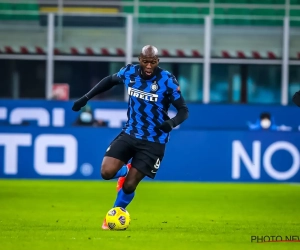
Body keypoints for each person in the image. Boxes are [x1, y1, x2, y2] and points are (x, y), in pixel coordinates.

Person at [72, 45, 189, 230]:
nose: (149, 66)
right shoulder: (129, 72)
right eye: (145, 61)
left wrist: (171, 123)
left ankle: (113, 214)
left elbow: (183, 111)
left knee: (129, 186)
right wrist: (86, 98)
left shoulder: (167, 80)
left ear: (157, 61)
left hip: (154, 140)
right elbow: (108, 81)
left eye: (153, 62)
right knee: (106, 172)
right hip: (131, 133)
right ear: (139, 60)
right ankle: (125, 171)